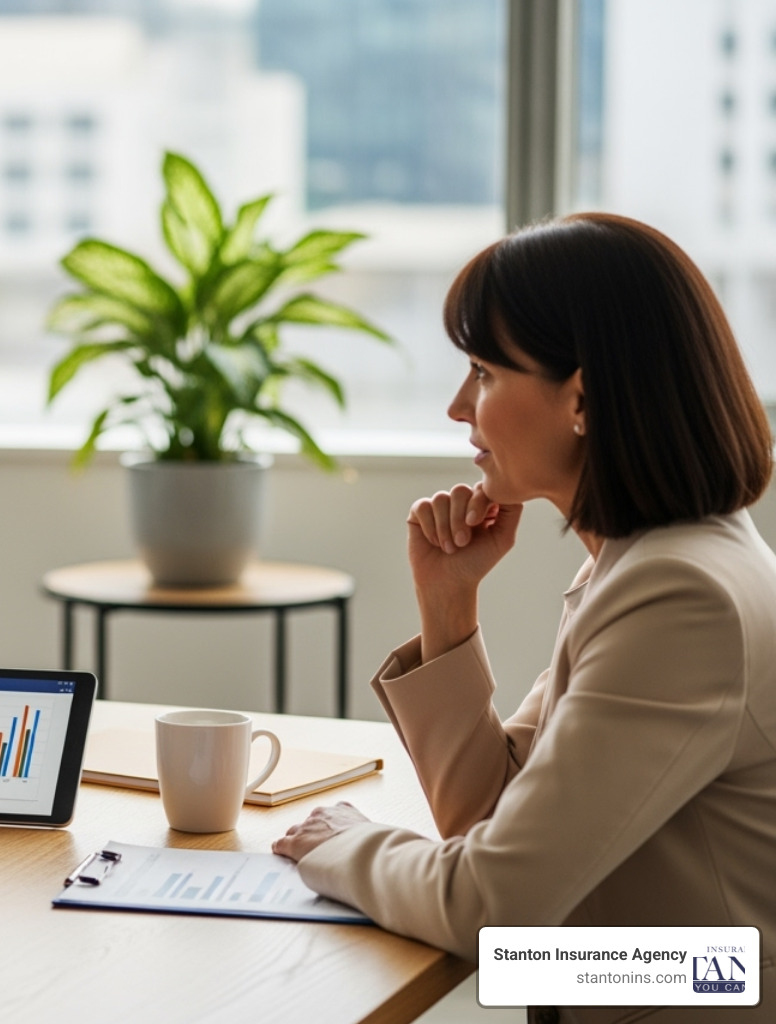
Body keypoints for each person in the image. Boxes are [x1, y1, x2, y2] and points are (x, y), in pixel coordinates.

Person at [272, 213, 776, 1022]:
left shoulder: (682, 599)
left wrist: (343, 844)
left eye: (483, 372)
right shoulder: (650, 564)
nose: (456, 406)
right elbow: (492, 819)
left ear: (582, 397)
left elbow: (490, 903)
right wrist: (448, 606)